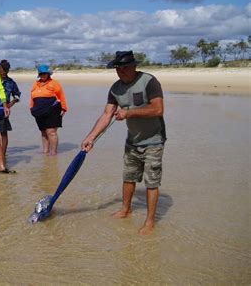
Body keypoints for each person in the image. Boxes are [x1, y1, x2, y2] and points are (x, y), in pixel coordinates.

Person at [81, 51, 166, 235]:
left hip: (154, 140)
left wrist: (129, 113)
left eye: (125, 68)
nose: (121, 72)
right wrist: (91, 137)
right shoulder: (115, 88)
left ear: (134, 66)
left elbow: (158, 109)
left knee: (151, 182)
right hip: (132, 140)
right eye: (118, 68)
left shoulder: (149, 81)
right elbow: (106, 115)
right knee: (128, 177)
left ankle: (150, 221)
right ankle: (125, 210)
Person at [0, 60, 21, 166]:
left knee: (3, 133)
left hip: (3, 111)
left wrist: (9, 105)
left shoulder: (11, 83)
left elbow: (17, 95)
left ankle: (2, 154)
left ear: (5, 70)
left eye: (0, 69)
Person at [30, 64, 68, 156]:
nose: (43, 75)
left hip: (53, 110)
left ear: (48, 74)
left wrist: (64, 108)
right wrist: (31, 108)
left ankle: (53, 152)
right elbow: (32, 98)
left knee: (51, 131)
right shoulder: (35, 84)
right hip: (38, 111)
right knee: (43, 132)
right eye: (41, 74)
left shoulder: (54, 83)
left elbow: (61, 96)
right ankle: (45, 151)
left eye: (45, 73)